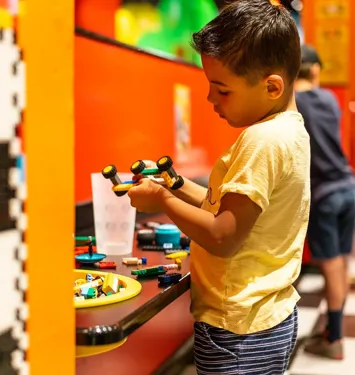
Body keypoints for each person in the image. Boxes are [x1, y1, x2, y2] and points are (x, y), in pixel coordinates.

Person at [128, 1, 310, 373]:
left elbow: (223, 235)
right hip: (265, 317)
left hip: (238, 328)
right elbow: (225, 207)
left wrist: (161, 200)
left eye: (222, 90)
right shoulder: (289, 129)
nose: (211, 100)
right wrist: (174, 183)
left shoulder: (262, 141)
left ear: (272, 86)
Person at [295, 44, 355, 360]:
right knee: (342, 262)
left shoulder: (293, 104)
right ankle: (332, 330)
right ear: (316, 70)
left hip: (324, 194)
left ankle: (334, 339)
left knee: (331, 266)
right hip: (348, 185)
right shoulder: (330, 100)